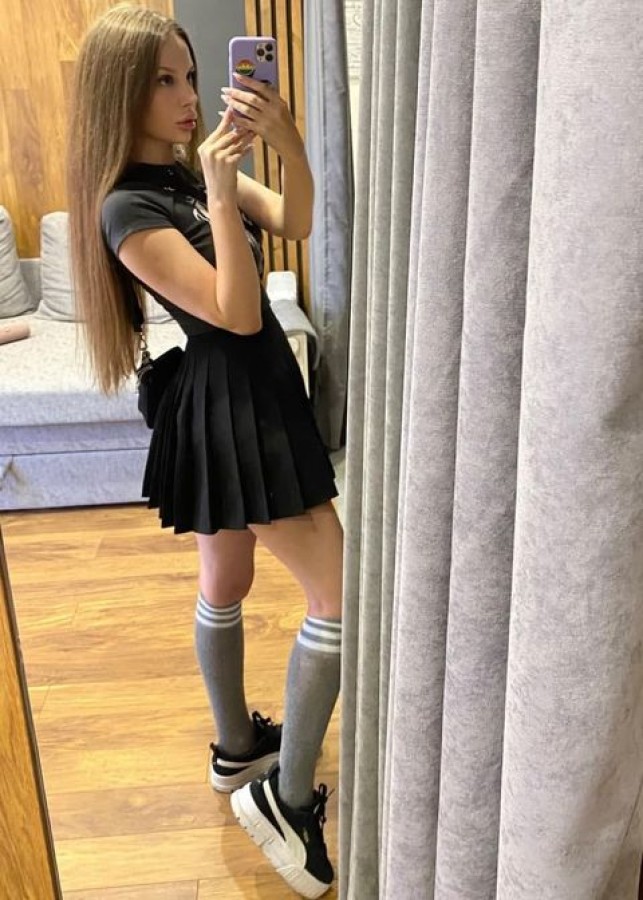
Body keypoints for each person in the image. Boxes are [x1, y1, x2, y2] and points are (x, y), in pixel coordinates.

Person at [67, 6, 343, 898]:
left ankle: (236, 750)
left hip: (241, 399)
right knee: (340, 597)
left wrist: (285, 141)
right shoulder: (126, 207)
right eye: (164, 80)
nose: (188, 96)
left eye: (189, 75)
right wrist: (222, 195)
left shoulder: (187, 173)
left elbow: (295, 220)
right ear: (120, 94)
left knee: (225, 578)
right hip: (235, 409)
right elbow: (236, 312)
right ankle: (285, 803)